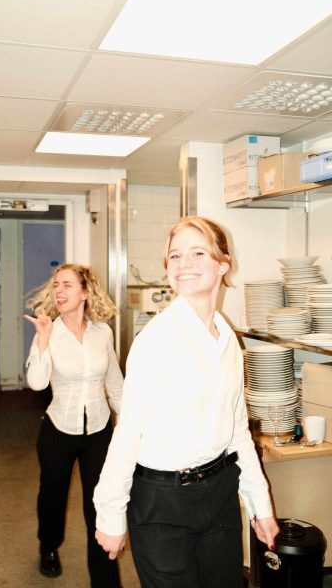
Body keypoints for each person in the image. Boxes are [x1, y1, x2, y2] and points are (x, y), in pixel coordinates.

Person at [93, 215, 279, 588]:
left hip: (220, 493)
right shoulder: (156, 340)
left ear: (223, 264)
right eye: (175, 256)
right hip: (163, 502)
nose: (184, 264)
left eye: (198, 253)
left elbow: (237, 429)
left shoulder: (227, 340)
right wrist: (110, 514)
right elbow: (128, 432)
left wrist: (261, 505)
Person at [24, 263, 123, 587]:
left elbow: (115, 383)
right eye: (56, 285)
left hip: (99, 431)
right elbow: (37, 383)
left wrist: (129, 426)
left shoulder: (102, 332)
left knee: (101, 504)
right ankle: (48, 546)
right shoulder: (49, 331)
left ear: (85, 291)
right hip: (58, 430)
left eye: (67, 284)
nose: (59, 290)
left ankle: (105, 580)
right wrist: (42, 340)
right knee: (52, 496)